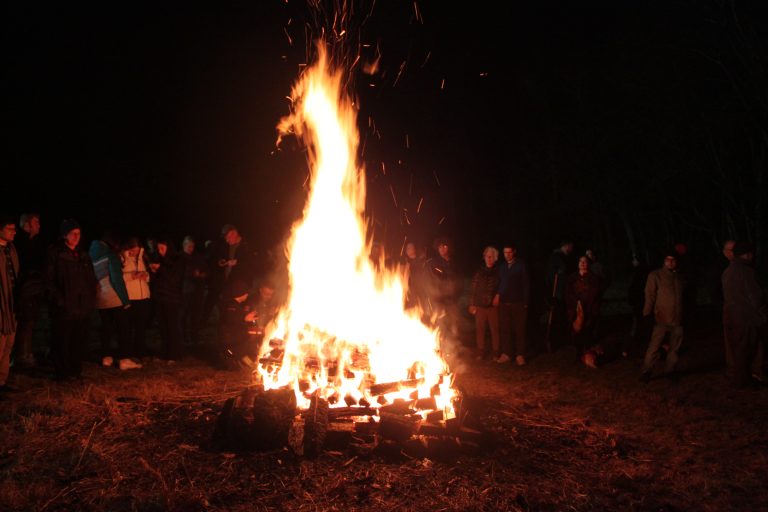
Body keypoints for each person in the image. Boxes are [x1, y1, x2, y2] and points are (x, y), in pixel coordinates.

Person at [47, 219, 97, 381]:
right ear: (64, 235)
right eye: (73, 234)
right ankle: (62, 373)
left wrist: (90, 299)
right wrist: (59, 300)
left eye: (79, 233)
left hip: (81, 307)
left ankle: (75, 371)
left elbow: (90, 279)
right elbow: (48, 280)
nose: (76, 237)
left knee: (78, 340)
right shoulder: (56, 253)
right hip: (64, 307)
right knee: (62, 341)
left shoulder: (82, 255)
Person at [90, 232, 139, 370]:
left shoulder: (92, 255)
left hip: (100, 297)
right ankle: (124, 359)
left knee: (106, 328)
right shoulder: (110, 255)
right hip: (114, 298)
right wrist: (126, 300)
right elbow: (116, 279)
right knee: (123, 328)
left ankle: (106, 357)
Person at [722, 241, 766, 388]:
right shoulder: (747, 271)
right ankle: (742, 380)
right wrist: (762, 312)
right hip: (745, 317)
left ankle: (738, 377)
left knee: (736, 348)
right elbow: (755, 296)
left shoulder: (728, 270)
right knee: (745, 348)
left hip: (731, 315)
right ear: (747, 254)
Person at [639, 251, 685, 383]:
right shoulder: (655, 275)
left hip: (678, 319)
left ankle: (670, 370)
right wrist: (647, 314)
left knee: (675, 348)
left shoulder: (680, 277)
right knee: (654, 346)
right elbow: (650, 296)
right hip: (661, 318)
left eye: (673, 260)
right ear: (663, 261)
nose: (670, 262)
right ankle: (646, 371)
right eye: (667, 260)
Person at [13, 213, 45, 368]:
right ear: (27, 224)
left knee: (30, 321)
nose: (39, 224)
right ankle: (21, 356)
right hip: (24, 289)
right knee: (24, 322)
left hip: (33, 289)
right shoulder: (19, 243)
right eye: (36, 221)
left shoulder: (35, 243)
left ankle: (26, 353)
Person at [148, 237, 185, 362]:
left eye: (162, 248)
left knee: (172, 327)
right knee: (163, 327)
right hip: (160, 298)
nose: (160, 251)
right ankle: (165, 352)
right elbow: (156, 280)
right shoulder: (158, 259)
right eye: (158, 248)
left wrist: (160, 269)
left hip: (172, 298)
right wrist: (152, 272)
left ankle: (175, 354)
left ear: (168, 247)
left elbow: (174, 279)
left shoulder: (177, 259)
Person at [495, 243, 530, 365]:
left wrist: (526, 301)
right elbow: (500, 283)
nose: (507, 255)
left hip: (518, 303)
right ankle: (507, 354)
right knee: (505, 329)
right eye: (505, 252)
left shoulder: (521, 264)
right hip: (504, 303)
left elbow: (525, 283)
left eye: (509, 252)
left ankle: (520, 355)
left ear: (514, 252)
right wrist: (498, 295)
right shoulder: (502, 267)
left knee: (519, 330)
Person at [565, 256, 602, 367]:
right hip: (574, 309)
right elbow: (568, 292)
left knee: (587, 330)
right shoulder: (572, 278)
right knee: (576, 331)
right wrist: (576, 302)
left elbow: (594, 293)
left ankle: (587, 354)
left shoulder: (593, 278)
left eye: (585, 262)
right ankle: (578, 352)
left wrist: (584, 303)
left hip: (589, 308)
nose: (582, 263)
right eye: (581, 261)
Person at [121, 237, 153, 360]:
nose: (135, 252)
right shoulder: (122, 259)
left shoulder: (142, 258)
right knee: (128, 327)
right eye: (133, 250)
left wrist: (147, 276)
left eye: (138, 250)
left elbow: (148, 276)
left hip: (143, 297)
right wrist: (132, 276)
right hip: (130, 298)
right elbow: (118, 277)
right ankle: (127, 353)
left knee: (141, 327)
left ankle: (140, 351)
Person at [427, 237, 462, 342]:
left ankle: (455, 346)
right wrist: (437, 295)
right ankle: (442, 346)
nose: (442, 249)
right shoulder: (434, 263)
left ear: (449, 248)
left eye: (444, 246)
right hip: (440, 300)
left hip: (453, 300)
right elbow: (433, 280)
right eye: (440, 247)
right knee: (441, 323)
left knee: (454, 324)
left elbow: (458, 280)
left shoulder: (455, 262)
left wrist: (456, 293)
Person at [468, 246, 500, 361]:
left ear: (495, 258)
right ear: (484, 257)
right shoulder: (479, 272)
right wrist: (471, 304)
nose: (489, 258)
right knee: (480, 329)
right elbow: (473, 289)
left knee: (494, 329)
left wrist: (498, 296)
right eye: (487, 256)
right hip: (480, 306)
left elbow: (501, 287)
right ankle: (480, 352)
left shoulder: (498, 272)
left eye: (492, 256)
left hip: (493, 306)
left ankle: (496, 352)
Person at [0, 217, 20, 393]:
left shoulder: (11, 250)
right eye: (10, 228)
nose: (14, 231)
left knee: (8, 345)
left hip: (13, 304)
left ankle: (2, 381)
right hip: (1, 306)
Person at [544, 240, 575, 350]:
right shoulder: (556, 257)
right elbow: (552, 274)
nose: (572, 249)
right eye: (571, 246)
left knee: (562, 317)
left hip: (562, 292)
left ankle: (561, 339)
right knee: (556, 317)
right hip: (557, 292)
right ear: (566, 246)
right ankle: (553, 341)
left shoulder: (563, 257)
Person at [180, 236, 207, 346]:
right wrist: (191, 274)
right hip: (184, 291)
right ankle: (183, 337)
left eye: (193, 247)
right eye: (189, 246)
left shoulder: (197, 257)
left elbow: (206, 271)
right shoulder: (179, 258)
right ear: (184, 246)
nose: (191, 249)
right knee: (183, 315)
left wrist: (201, 274)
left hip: (196, 291)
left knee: (195, 315)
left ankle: (194, 337)